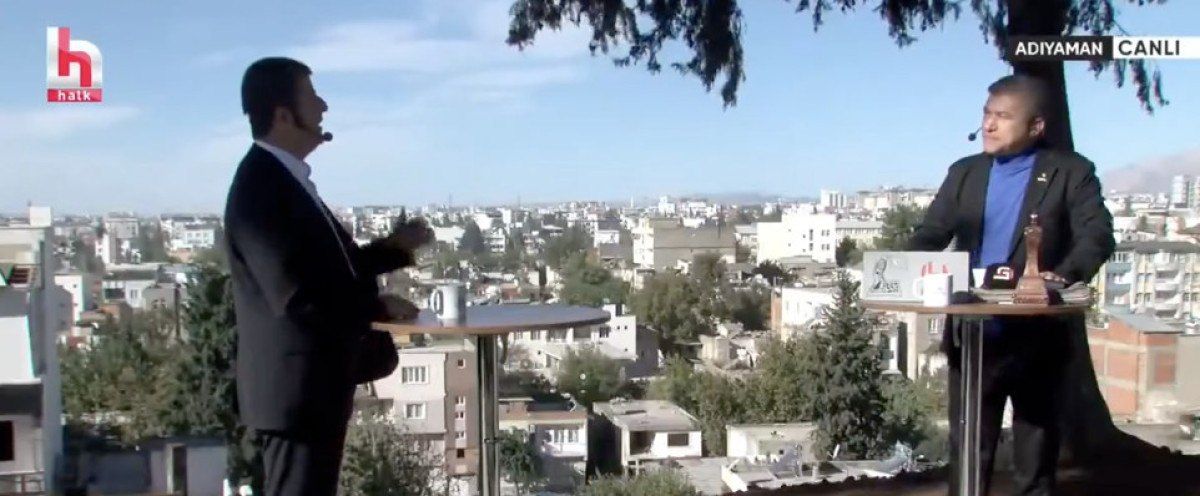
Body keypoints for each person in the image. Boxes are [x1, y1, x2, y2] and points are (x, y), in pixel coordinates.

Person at [224, 57, 433, 495]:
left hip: (310, 390)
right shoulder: (262, 188)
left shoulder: (283, 179)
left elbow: (333, 270)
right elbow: (297, 296)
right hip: (295, 394)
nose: (323, 107)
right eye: (312, 97)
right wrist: (376, 307)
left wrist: (396, 249)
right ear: (283, 115)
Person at [908, 74, 1115, 495]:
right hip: (973, 335)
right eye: (987, 113)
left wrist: (1064, 275)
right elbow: (931, 233)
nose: (988, 124)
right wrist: (901, 266)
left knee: (1034, 451)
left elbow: (1096, 235)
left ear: (1035, 126)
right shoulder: (964, 172)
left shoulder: (1071, 172)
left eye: (1002, 116)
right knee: (969, 446)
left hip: (1037, 333)